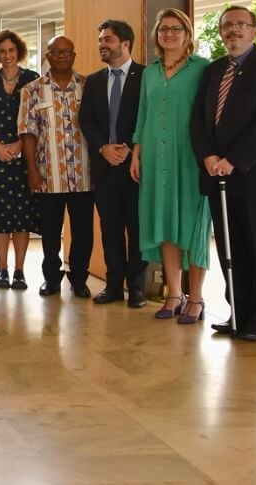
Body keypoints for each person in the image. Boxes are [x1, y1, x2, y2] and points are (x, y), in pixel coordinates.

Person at [190, 6, 256, 341]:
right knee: (229, 248)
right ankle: (238, 312)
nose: (233, 31)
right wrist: (207, 155)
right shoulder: (213, 70)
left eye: (241, 25)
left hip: (255, 176)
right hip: (216, 176)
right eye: (227, 26)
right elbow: (199, 119)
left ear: (255, 31)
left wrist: (234, 159)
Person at [130, 8, 211, 324]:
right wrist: (137, 152)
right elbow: (142, 114)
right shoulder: (150, 72)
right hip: (154, 156)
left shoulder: (202, 68)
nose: (169, 34)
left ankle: (197, 296)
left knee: (193, 225)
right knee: (164, 222)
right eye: (163, 29)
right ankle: (174, 294)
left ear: (188, 34)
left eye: (176, 29)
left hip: (189, 156)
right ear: (157, 35)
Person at [78, 19, 148, 308]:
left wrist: (130, 150)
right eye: (100, 40)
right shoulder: (94, 81)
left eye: (107, 39)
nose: (101, 45)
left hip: (136, 167)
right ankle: (114, 285)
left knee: (138, 229)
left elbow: (148, 118)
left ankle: (138, 287)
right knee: (110, 229)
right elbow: (86, 119)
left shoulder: (146, 77)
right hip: (105, 168)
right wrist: (103, 147)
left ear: (125, 43)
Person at [19, 35, 95, 298]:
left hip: (84, 174)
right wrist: (32, 170)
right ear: (47, 56)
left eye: (67, 52)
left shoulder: (89, 86)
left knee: (83, 232)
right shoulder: (32, 90)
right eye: (56, 52)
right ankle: (51, 279)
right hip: (48, 174)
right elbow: (28, 133)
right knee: (50, 233)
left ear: (74, 55)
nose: (62, 56)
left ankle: (79, 278)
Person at [0, 31, 40, 290]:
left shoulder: (32, 79)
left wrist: (19, 145)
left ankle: (19, 271)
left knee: (22, 215)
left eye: (11, 50)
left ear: (19, 52)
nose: (7, 56)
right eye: (2, 51)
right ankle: (2, 269)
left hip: (24, 153)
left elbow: (36, 118)